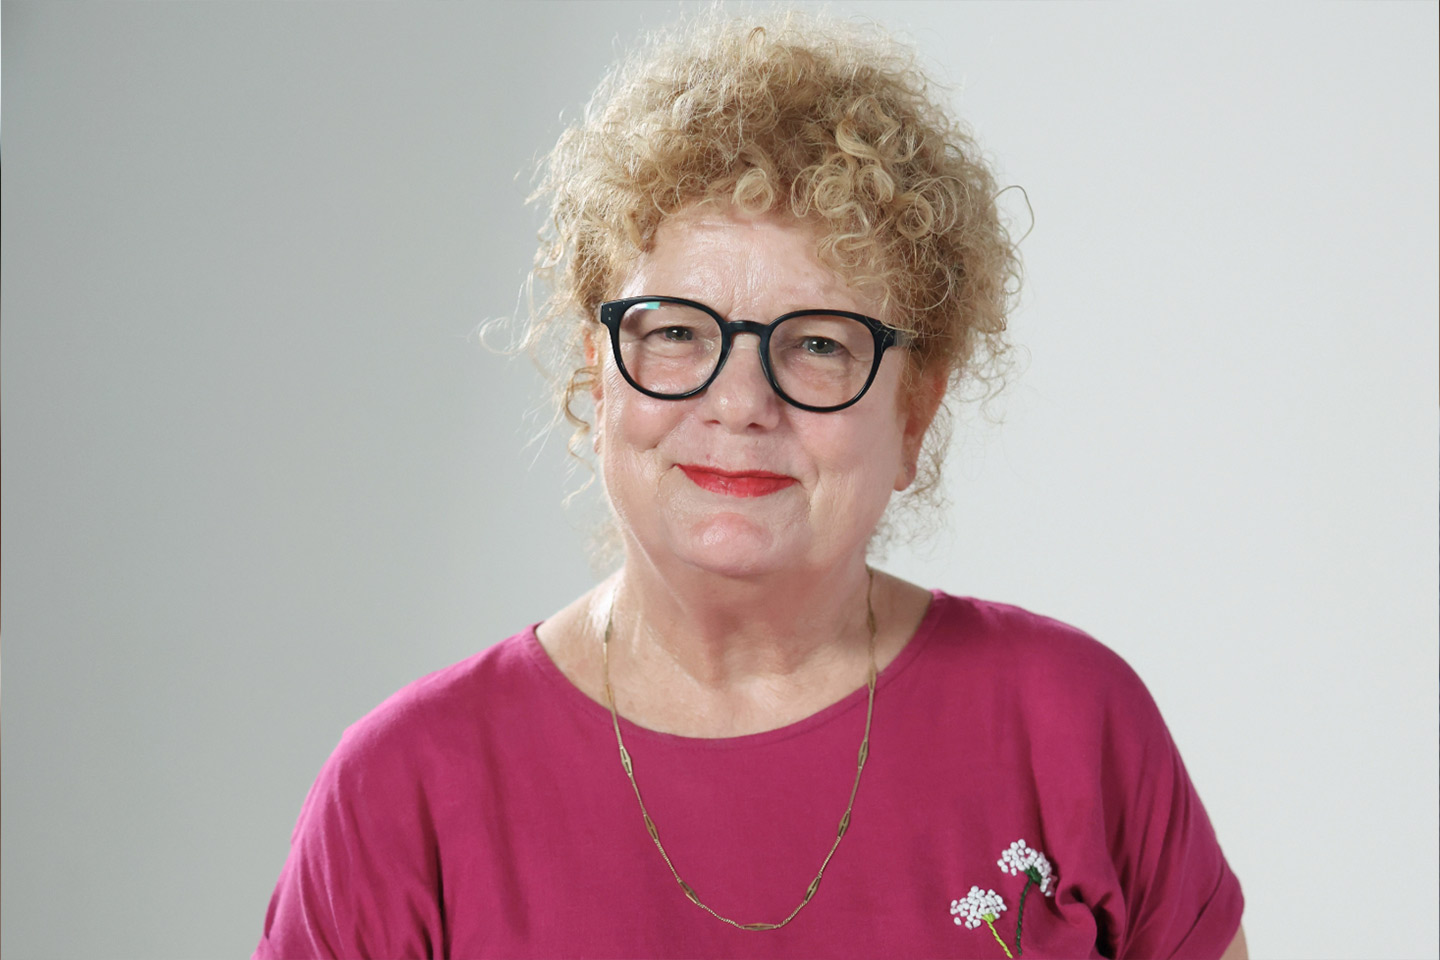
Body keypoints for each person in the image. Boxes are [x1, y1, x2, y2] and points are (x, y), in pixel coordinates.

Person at [254, 12, 1246, 959]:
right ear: (599, 377)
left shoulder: (1072, 724)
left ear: (914, 414)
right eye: (678, 332)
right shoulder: (400, 793)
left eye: (817, 345)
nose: (739, 404)